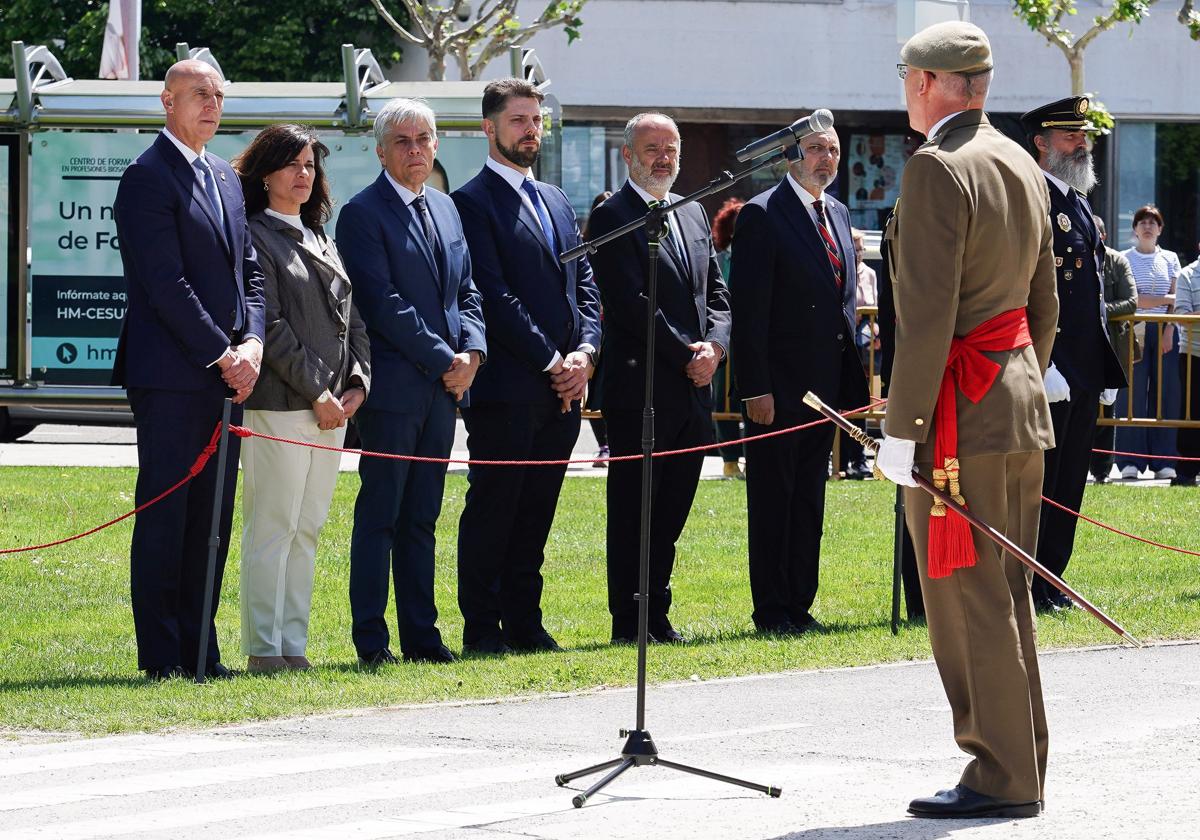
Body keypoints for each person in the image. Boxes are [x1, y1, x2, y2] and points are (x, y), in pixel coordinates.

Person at [876, 22, 1058, 819]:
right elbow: (1043, 306)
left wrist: (902, 429)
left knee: (968, 599)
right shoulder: (1019, 160)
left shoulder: (937, 169)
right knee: (1007, 594)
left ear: (924, 84)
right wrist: (1005, 376)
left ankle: (999, 775)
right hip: (1015, 405)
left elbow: (925, 318)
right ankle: (1022, 765)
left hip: (958, 420)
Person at [112, 59, 266, 681]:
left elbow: (249, 272)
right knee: (168, 515)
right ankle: (163, 657)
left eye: (219, 95)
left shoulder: (226, 179)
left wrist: (252, 342)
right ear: (166, 101)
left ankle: (202, 651)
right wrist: (222, 354)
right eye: (199, 94)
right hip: (174, 375)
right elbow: (166, 284)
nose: (212, 104)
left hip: (228, 374)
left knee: (212, 517)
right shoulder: (147, 178)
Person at [453, 78, 601, 655]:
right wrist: (550, 360)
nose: (529, 130)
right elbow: (491, 293)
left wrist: (584, 354)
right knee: (496, 508)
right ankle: (482, 628)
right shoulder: (471, 202)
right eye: (517, 121)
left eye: (535, 120)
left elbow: (584, 284)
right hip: (509, 388)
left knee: (537, 511)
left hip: (563, 391)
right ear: (489, 129)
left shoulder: (558, 200)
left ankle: (525, 622)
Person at [336, 98, 486, 666]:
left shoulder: (447, 209)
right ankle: (372, 642)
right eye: (403, 141)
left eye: (424, 139)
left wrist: (472, 352)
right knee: (381, 515)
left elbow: (467, 291)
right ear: (380, 151)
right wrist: (445, 356)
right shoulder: (362, 214)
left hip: (444, 393)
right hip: (396, 391)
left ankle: (423, 637)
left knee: (423, 515)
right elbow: (382, 303)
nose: (416, 150)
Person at [587, 113, 731, 644]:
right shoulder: (613, 217)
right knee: (634, 510)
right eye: (651, 149)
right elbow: (628, 303)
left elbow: (716, 293)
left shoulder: (692, 212)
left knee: (672, 509)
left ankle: (659, 610)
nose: (663, 158)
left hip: (693, 389)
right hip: (641, 387)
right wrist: (683, 352)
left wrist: (714, 346)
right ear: (628, 155)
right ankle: (629, 619)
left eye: (671, 149)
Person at [232, 124, 371, 673]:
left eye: (311, 165)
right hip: (281, 405)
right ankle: (264, 650)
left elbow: (352, 322)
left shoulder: (321, 237)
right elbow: (272, 327)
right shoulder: (254, 235)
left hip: (334, 409)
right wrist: (319, 391)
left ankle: (294, 647)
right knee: (273, 527)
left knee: (307, 528)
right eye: (292, 164)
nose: (304, 174)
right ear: (264, 174)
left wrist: (357, 383)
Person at [730, 128, 867, 636]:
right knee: (773, 500)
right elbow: (750, 311)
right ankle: (771, 609)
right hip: (778, 390)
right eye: (815, 149)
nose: (825, 158)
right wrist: (755, 388)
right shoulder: (763, 214)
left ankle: (800, 603)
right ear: (792, 156)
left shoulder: (837, 212)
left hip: (825, 387)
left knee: (810, 497)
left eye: (832, 149)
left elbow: (842, 301)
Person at [1019, 97, 1126, 612]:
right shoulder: (1032, 198)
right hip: (1053, 370)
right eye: (1068, 136)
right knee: (1044, 482)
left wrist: (1104, 365)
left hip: (1083, 369)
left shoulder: (1078, 200)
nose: (1081, 144)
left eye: (1083, 135)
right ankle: (1032, 579)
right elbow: (1023, 289)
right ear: (1041, 143)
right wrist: (1044, 365)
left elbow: (1093, 294)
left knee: (1071, 482)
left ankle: (1053, 579)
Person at [1116, 205, 1182, 480]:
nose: (1147, 226)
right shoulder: (1124, 258)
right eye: (1142, 221)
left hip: (1166, 329)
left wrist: (1168, 327)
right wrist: (1165, 299)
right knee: (1131, 395)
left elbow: (1176, 298)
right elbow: (1135, 300)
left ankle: (1164, 459)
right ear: (1134, 228)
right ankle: (1130, 460)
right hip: (1135, 329)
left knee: (1166, 393)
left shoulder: (1171, 258)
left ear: (1160, 229)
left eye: (1153, 222)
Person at [1089, 215, 1139, 484]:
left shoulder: (1117, 261)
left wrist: (1098, 311)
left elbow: (1131, 301)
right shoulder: (1072, 255)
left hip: (1110, 346)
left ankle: (1102, 470)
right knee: (1076, 409)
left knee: (1107, 411)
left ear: (1104, 235)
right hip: (1078, 346)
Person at [838, 226, 878, 480]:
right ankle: (840, 459)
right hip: (844, 344)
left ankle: (860, 458)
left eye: (862, 249)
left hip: (866, 349)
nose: (860, 254)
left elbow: (872, 306)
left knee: (860, 405)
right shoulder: (839, 270)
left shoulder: (870, 274)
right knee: (841, 407)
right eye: (856, 249)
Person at [711, 197, 746, 479]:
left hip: (752, 338)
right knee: (724, 398)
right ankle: (730, 459)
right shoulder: (720, 258)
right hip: (727, 340)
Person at [583, 190, 614, 468]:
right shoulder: (585, 247)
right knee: (595, 387)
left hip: (616, 328)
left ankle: (612, 444)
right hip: (594, 330)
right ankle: (603, 445)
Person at [1173, 244, 1200, 486]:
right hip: (1193, 353)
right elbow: (1181, 315)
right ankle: (1187, 470)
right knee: (1191, 413)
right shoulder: (1187, 274)